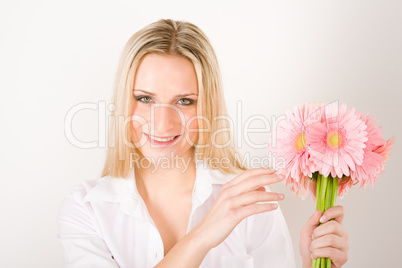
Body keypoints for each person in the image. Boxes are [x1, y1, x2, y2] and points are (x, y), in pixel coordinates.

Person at [57, 19, 349, 268]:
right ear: (124, 101)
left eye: (184, 101)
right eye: (145, 99)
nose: (162, 123)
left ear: (207, 107)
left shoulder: (250, 199)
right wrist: (205, 233)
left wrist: (314, 264)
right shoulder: (88, 210)